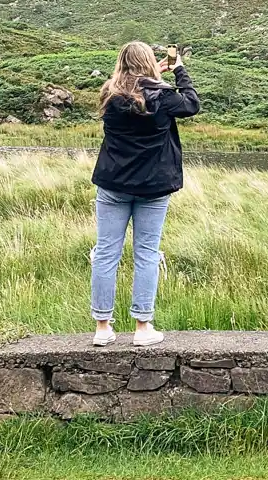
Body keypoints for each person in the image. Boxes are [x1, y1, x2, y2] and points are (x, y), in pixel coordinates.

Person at [90, 41, 200, 346]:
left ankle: (102, 328)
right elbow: (192, 103)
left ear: (121, 62)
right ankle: (142, 328)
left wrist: (153, 78)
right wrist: (177, 71)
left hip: (113, 185)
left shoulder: (109, 94)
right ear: (150, 63)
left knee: (105, 253)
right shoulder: (163, 97)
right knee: (147, 254)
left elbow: (133, 91)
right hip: (152, 187)